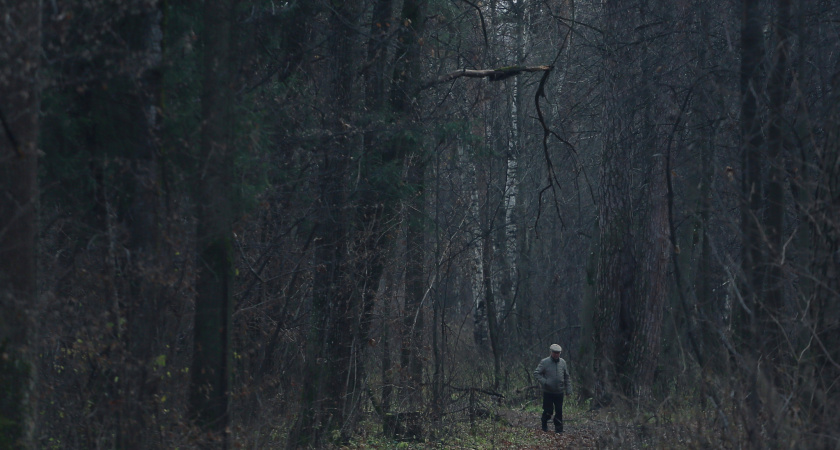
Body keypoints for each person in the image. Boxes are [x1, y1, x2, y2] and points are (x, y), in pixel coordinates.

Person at [533, 343, 572, 433]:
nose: (556, 354)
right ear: (551, 352)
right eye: (554, 352)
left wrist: (568, 390)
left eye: (558, 353)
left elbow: (567, 377)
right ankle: (544, 424)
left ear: (560, 353)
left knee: (559, 411)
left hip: (559, 392)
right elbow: (536, 373)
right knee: (548, 411)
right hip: (548, 392)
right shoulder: (545, 362)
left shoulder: (563, 362)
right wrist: (545, 382)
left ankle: (559, 429)